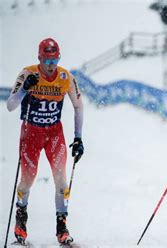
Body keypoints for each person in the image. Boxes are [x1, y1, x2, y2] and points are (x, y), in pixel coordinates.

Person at [6, 38, 84, 245]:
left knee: (61, 181)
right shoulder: (27, 73)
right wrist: (24, 90)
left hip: (54, 134)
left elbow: (78, 106)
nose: (50, 66)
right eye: (47, 61)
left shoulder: (66, 77)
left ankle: (62, 228)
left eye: (54, 61)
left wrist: (78, 138)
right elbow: (10, 106)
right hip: (31, 133)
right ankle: (21, 219)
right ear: (39, 58)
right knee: (28, 179)